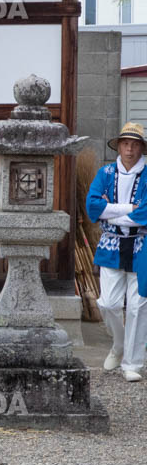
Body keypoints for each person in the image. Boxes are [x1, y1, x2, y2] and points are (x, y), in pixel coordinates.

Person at [89, 122, 147, 381]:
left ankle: (132, 363)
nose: (130, 149)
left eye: (135, 144)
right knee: (108, 303)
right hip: (111, 245)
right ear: (119, 146)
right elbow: (92, 206)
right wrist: (128, 209)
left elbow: (145, 213)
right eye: (126, 143)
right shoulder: (105, 172)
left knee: (138, 307)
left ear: (141, 148)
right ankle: (119, 344)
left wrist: (110, 210)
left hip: (141, 247)